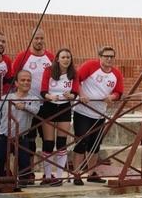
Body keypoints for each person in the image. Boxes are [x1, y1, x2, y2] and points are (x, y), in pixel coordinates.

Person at [72, 46, 124, 186]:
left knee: (95, 145)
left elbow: (119, 92)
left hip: (100, 114)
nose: (109, 59)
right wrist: (81, 94)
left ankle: (91, 173)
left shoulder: (116, 74)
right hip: (83, 111)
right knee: (81, 142)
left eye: (112, 56)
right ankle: (77, 173)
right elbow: (76, 79)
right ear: (100, 56)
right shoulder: (90, 66)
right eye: (106, 56)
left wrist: (111, 97)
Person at [12, 28, 54, 182]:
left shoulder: (50, 57)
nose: (39, 41)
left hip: (46, 105)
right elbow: (12, 78)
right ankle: (27, 172)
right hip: (27, 104)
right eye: (36, 38)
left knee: (48, 140)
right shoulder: (22, 57)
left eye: (41, 38)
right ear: (31, 39)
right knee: (28, 140)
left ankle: (47, 174)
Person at [0, 70, 41, 188]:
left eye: (28, 80)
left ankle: (23, 184)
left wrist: (24, 107)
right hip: (4, 135)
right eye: (23, 80)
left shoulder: (34, 99)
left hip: (22, 136)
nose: (26, 82)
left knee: (24, 162)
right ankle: (1, 181)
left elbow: (36, 111)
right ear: (17, 83)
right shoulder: (6, 98)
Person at [40, 48, 79, 186]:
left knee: (61, 143)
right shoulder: (48, 71)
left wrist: (72, 96)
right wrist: (50, 96)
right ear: (57, 59)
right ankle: (48, 175)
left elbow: (75, 91)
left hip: (64, 107)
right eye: (63, 57)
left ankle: (59, 176)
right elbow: (43, 90)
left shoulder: (73, 73)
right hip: (49, 107)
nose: (66, 59)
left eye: (68, 57)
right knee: (48, 143)